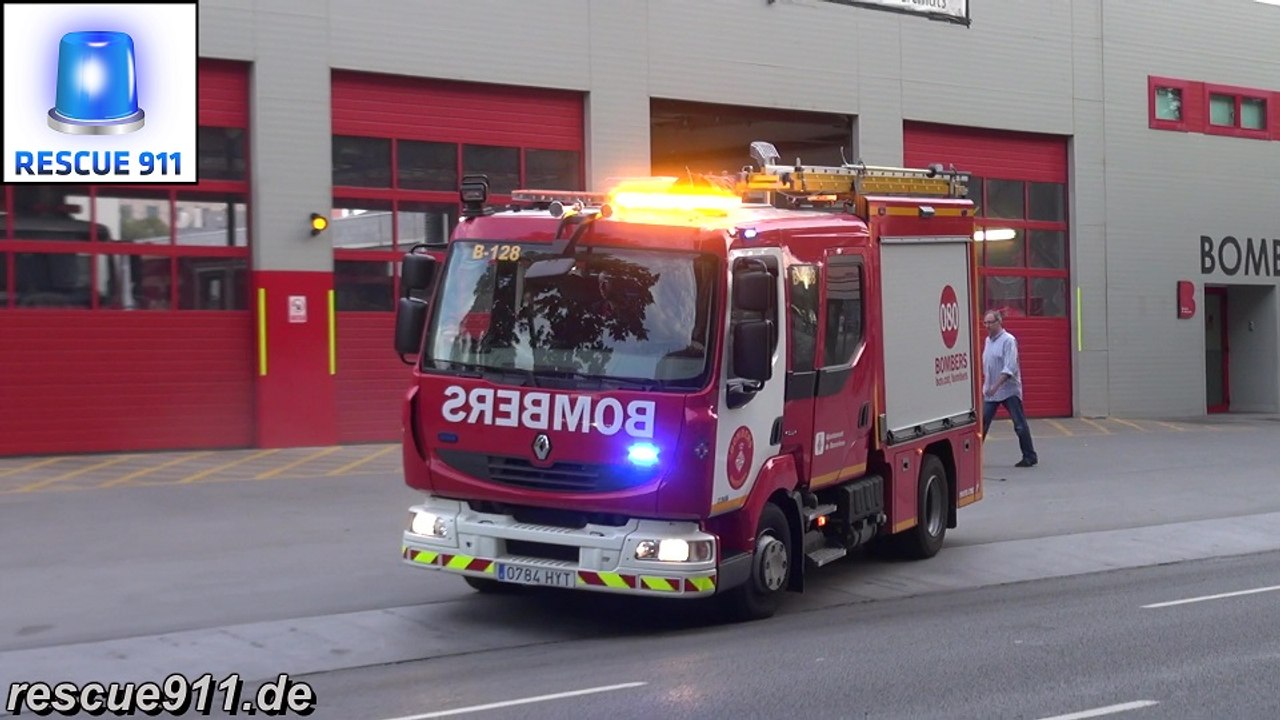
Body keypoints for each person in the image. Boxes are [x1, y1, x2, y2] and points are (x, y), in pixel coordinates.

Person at [981, 310, 1038, 467]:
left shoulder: (1008, 341)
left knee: (1019, 423)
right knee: (982, 423)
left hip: (1008, 390)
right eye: (985, 323)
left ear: (999, 322)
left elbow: (1010, 367)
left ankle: (1029, 456)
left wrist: (996, 385)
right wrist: (987, 386)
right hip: (991, 391)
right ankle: (974, 458)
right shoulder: (988, 341)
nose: (987, 326)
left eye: (990, 322)